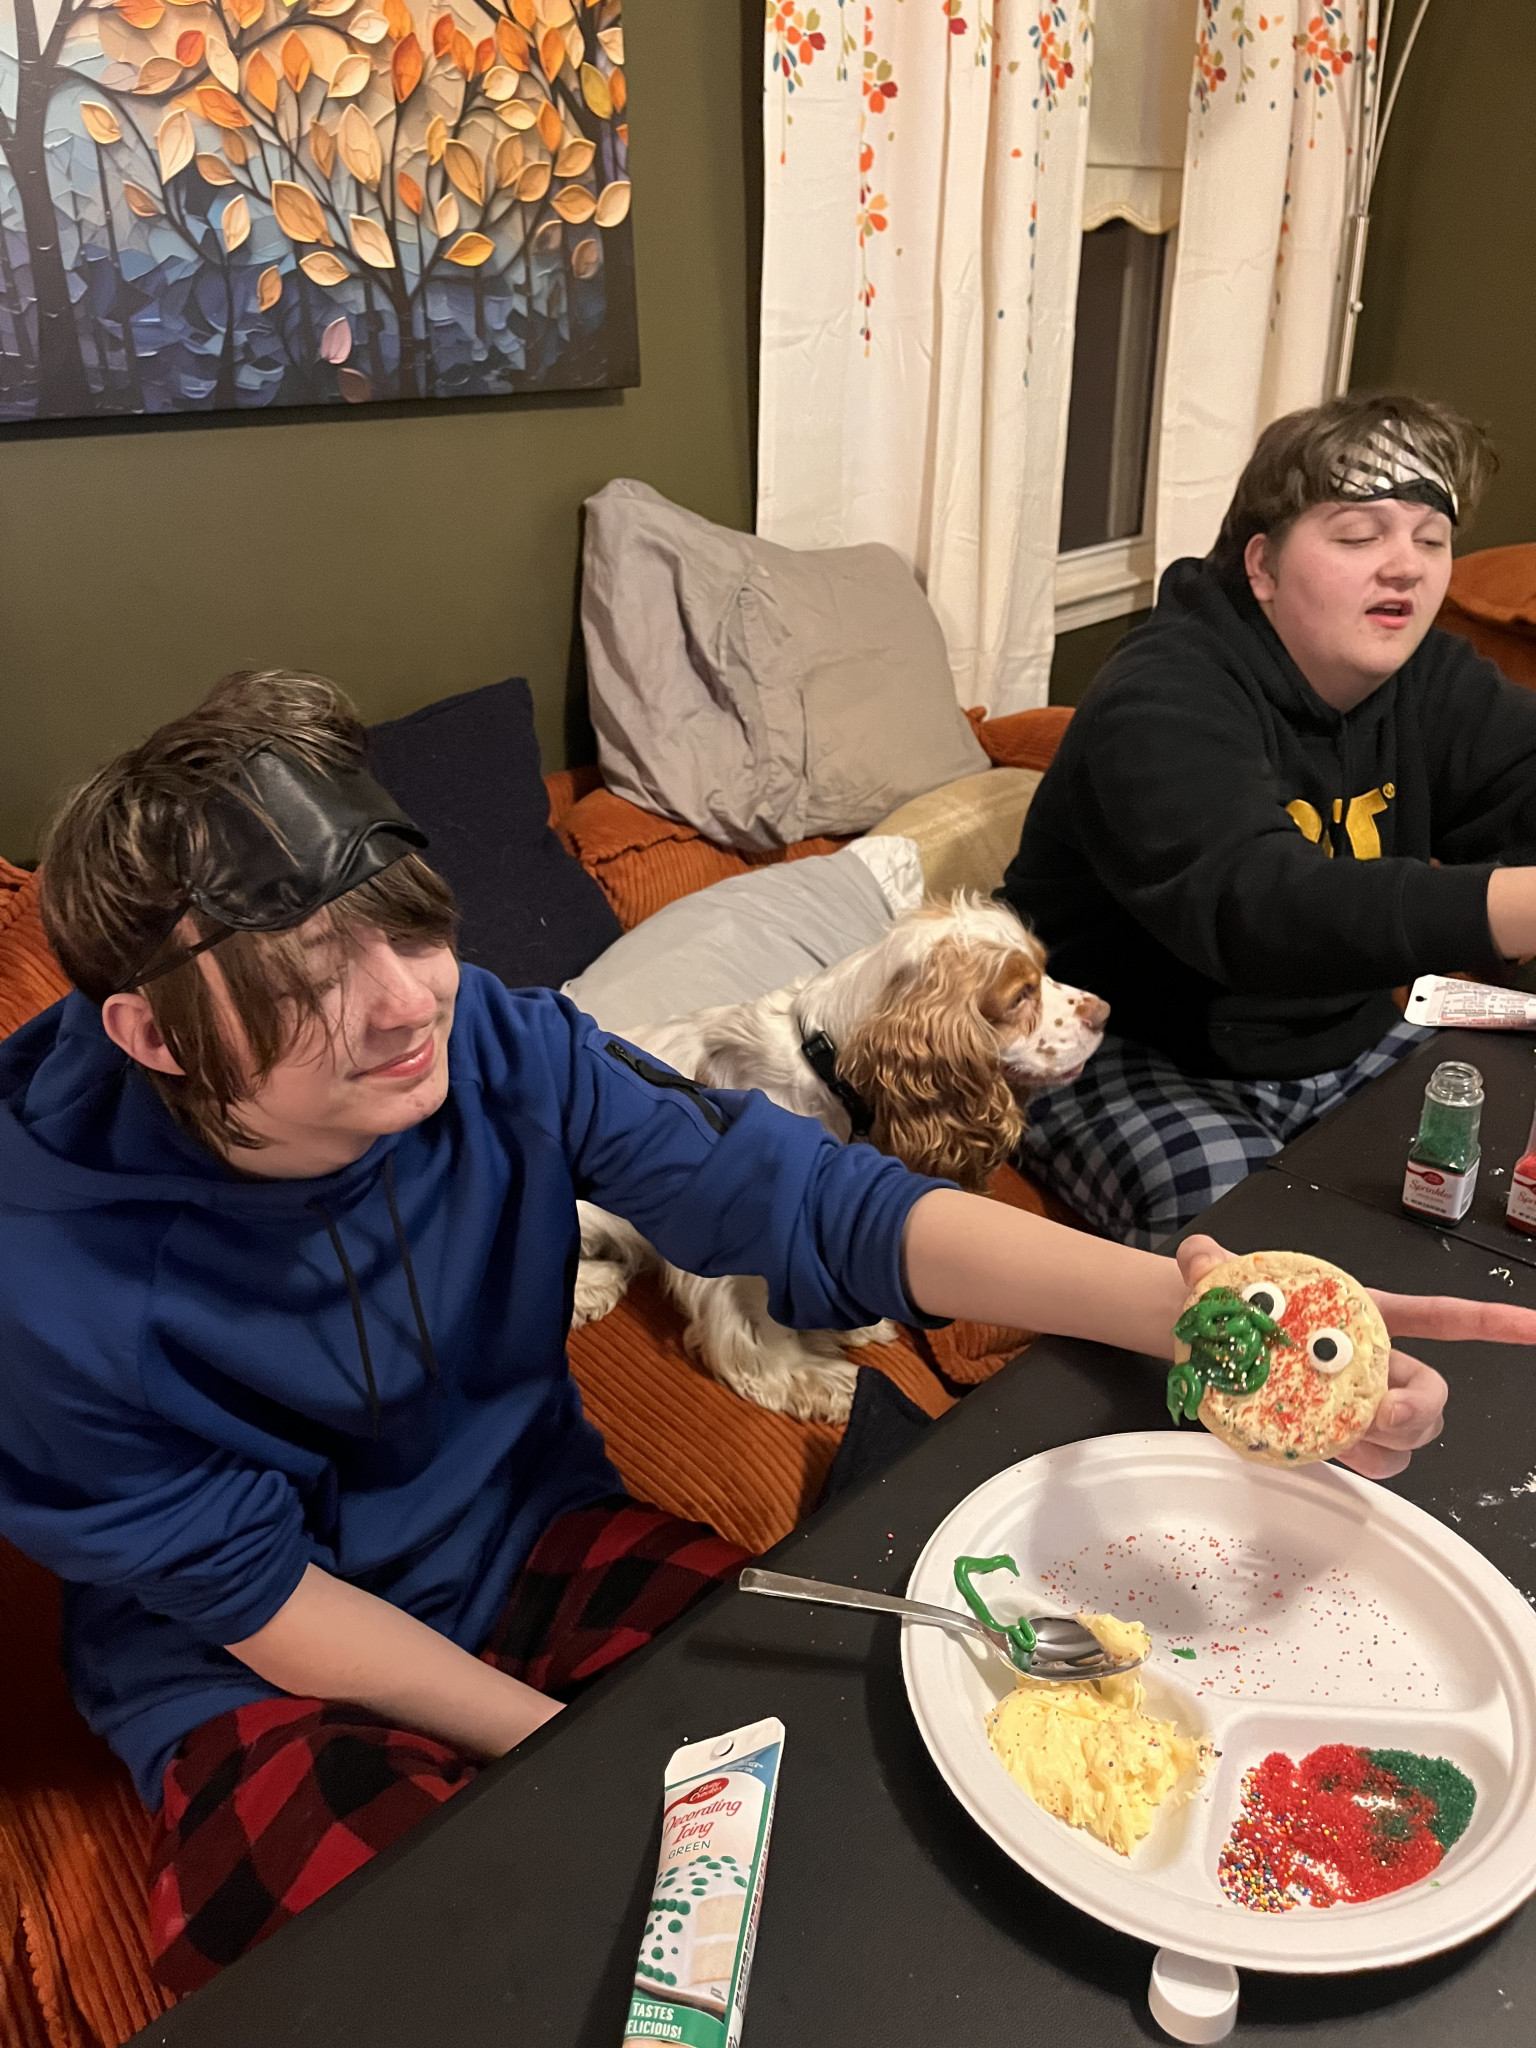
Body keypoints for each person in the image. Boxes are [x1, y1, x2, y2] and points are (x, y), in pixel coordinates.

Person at [0, 671, 1515, 1996]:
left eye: (409, 928)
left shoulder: (499, 1040)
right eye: (316, 977)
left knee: (857, 1788)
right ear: (153, 1032)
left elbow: (806, 1197)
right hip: (259, 1671)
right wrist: (572, 1759)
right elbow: (258, 1594)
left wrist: (1194, 1311)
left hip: (535, 1532)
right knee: (444, 1963)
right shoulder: (41, 1265)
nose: (410, 1004)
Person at [1003, 392, 1536, 1246]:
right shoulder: (1160, 693)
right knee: (1261, 1262)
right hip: (1118, 1039)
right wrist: (1513, 906)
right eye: (1359, 536)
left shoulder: (1429, 677)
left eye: (1431, 540)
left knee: (1503, 1155)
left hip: (1334, 1037)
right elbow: (1258, 905)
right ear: (1263, 565)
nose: (1405, 567)